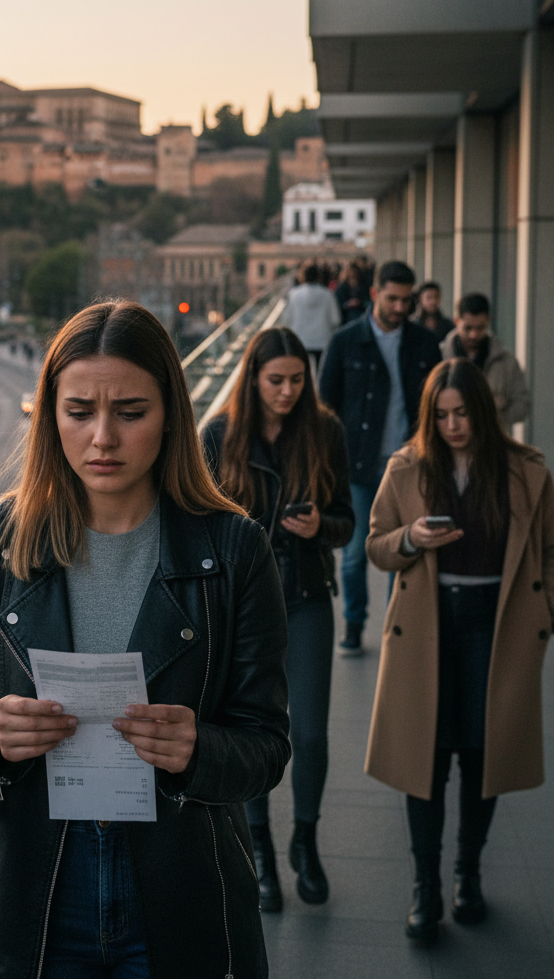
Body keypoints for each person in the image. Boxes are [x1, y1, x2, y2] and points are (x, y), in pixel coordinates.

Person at [0, 300, 290, 979]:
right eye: (78, 412)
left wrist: (198, 749)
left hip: (178, 891)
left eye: (129, 412)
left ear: (170, 415)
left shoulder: (235, 548)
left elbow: (268, 746)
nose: (102, 438)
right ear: (50, 415)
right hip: (33, 894)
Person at [365, 359, 554, 941]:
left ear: (483, 411)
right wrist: (410, 538)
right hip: (429, 628)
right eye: (441, 415)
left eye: (462, 413)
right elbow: (377, 543)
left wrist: (551, 611)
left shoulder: (526, 470)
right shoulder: (406, 468)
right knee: (422, 763)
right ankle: (425, 887)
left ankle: (467, 875)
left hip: (498, 629)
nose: (452, 425)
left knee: (485, 758)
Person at [203, 327, 354, 913]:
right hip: (242, 608)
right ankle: (260, 852)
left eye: (296, 380)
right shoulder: (220, 434)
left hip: (308, 593)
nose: (287, 391)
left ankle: (305, 842)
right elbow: (202, 520)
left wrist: (324, 528)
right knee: (249, 732)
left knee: (310, 734)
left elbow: (346, 518)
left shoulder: (325, 431)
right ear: (253, 378)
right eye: (276, 381)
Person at [319, 260, 442, 656]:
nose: (399, 307)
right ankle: (354, 624)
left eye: (406, 300)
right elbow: (325, 407)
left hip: (409, 465)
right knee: (355, 555)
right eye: (392, 298)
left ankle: (396, 625)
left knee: (403, 550)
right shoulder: (344, 341)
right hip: (357, 465)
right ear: (375, 294)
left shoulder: (425, 343)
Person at [440, 292, 529, 428]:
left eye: (480, 328)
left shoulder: (506, 361)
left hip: (491, 442)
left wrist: (493, 413)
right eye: (468, 328)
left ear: (487, 322)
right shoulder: (440, 356)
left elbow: (523, 405)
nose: (473, 335)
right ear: (457, 321)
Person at [280, 262, 341, 371]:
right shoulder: (327, 294)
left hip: (300, 338)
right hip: (322, 339)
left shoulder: (294, 294)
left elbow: (286, 318)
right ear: (319, 277)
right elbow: (335, 320)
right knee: (321, 371)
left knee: (301, 371)